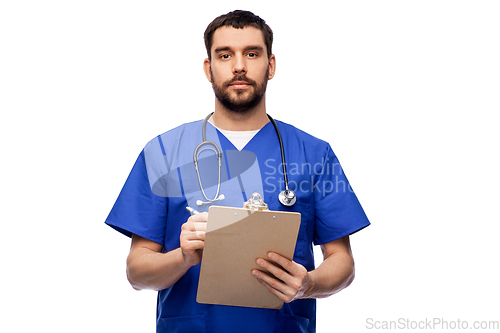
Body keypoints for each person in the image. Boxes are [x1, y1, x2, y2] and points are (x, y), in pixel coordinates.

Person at [105, 10, 370, 333]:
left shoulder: (313, 153)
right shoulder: (162, 152)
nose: (239, 65)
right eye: (225, 54)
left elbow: (342, 262)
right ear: (209, 68)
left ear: (270, 65)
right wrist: (183, 257)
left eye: (252, 53)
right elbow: (137, 271)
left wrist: (307, 284)